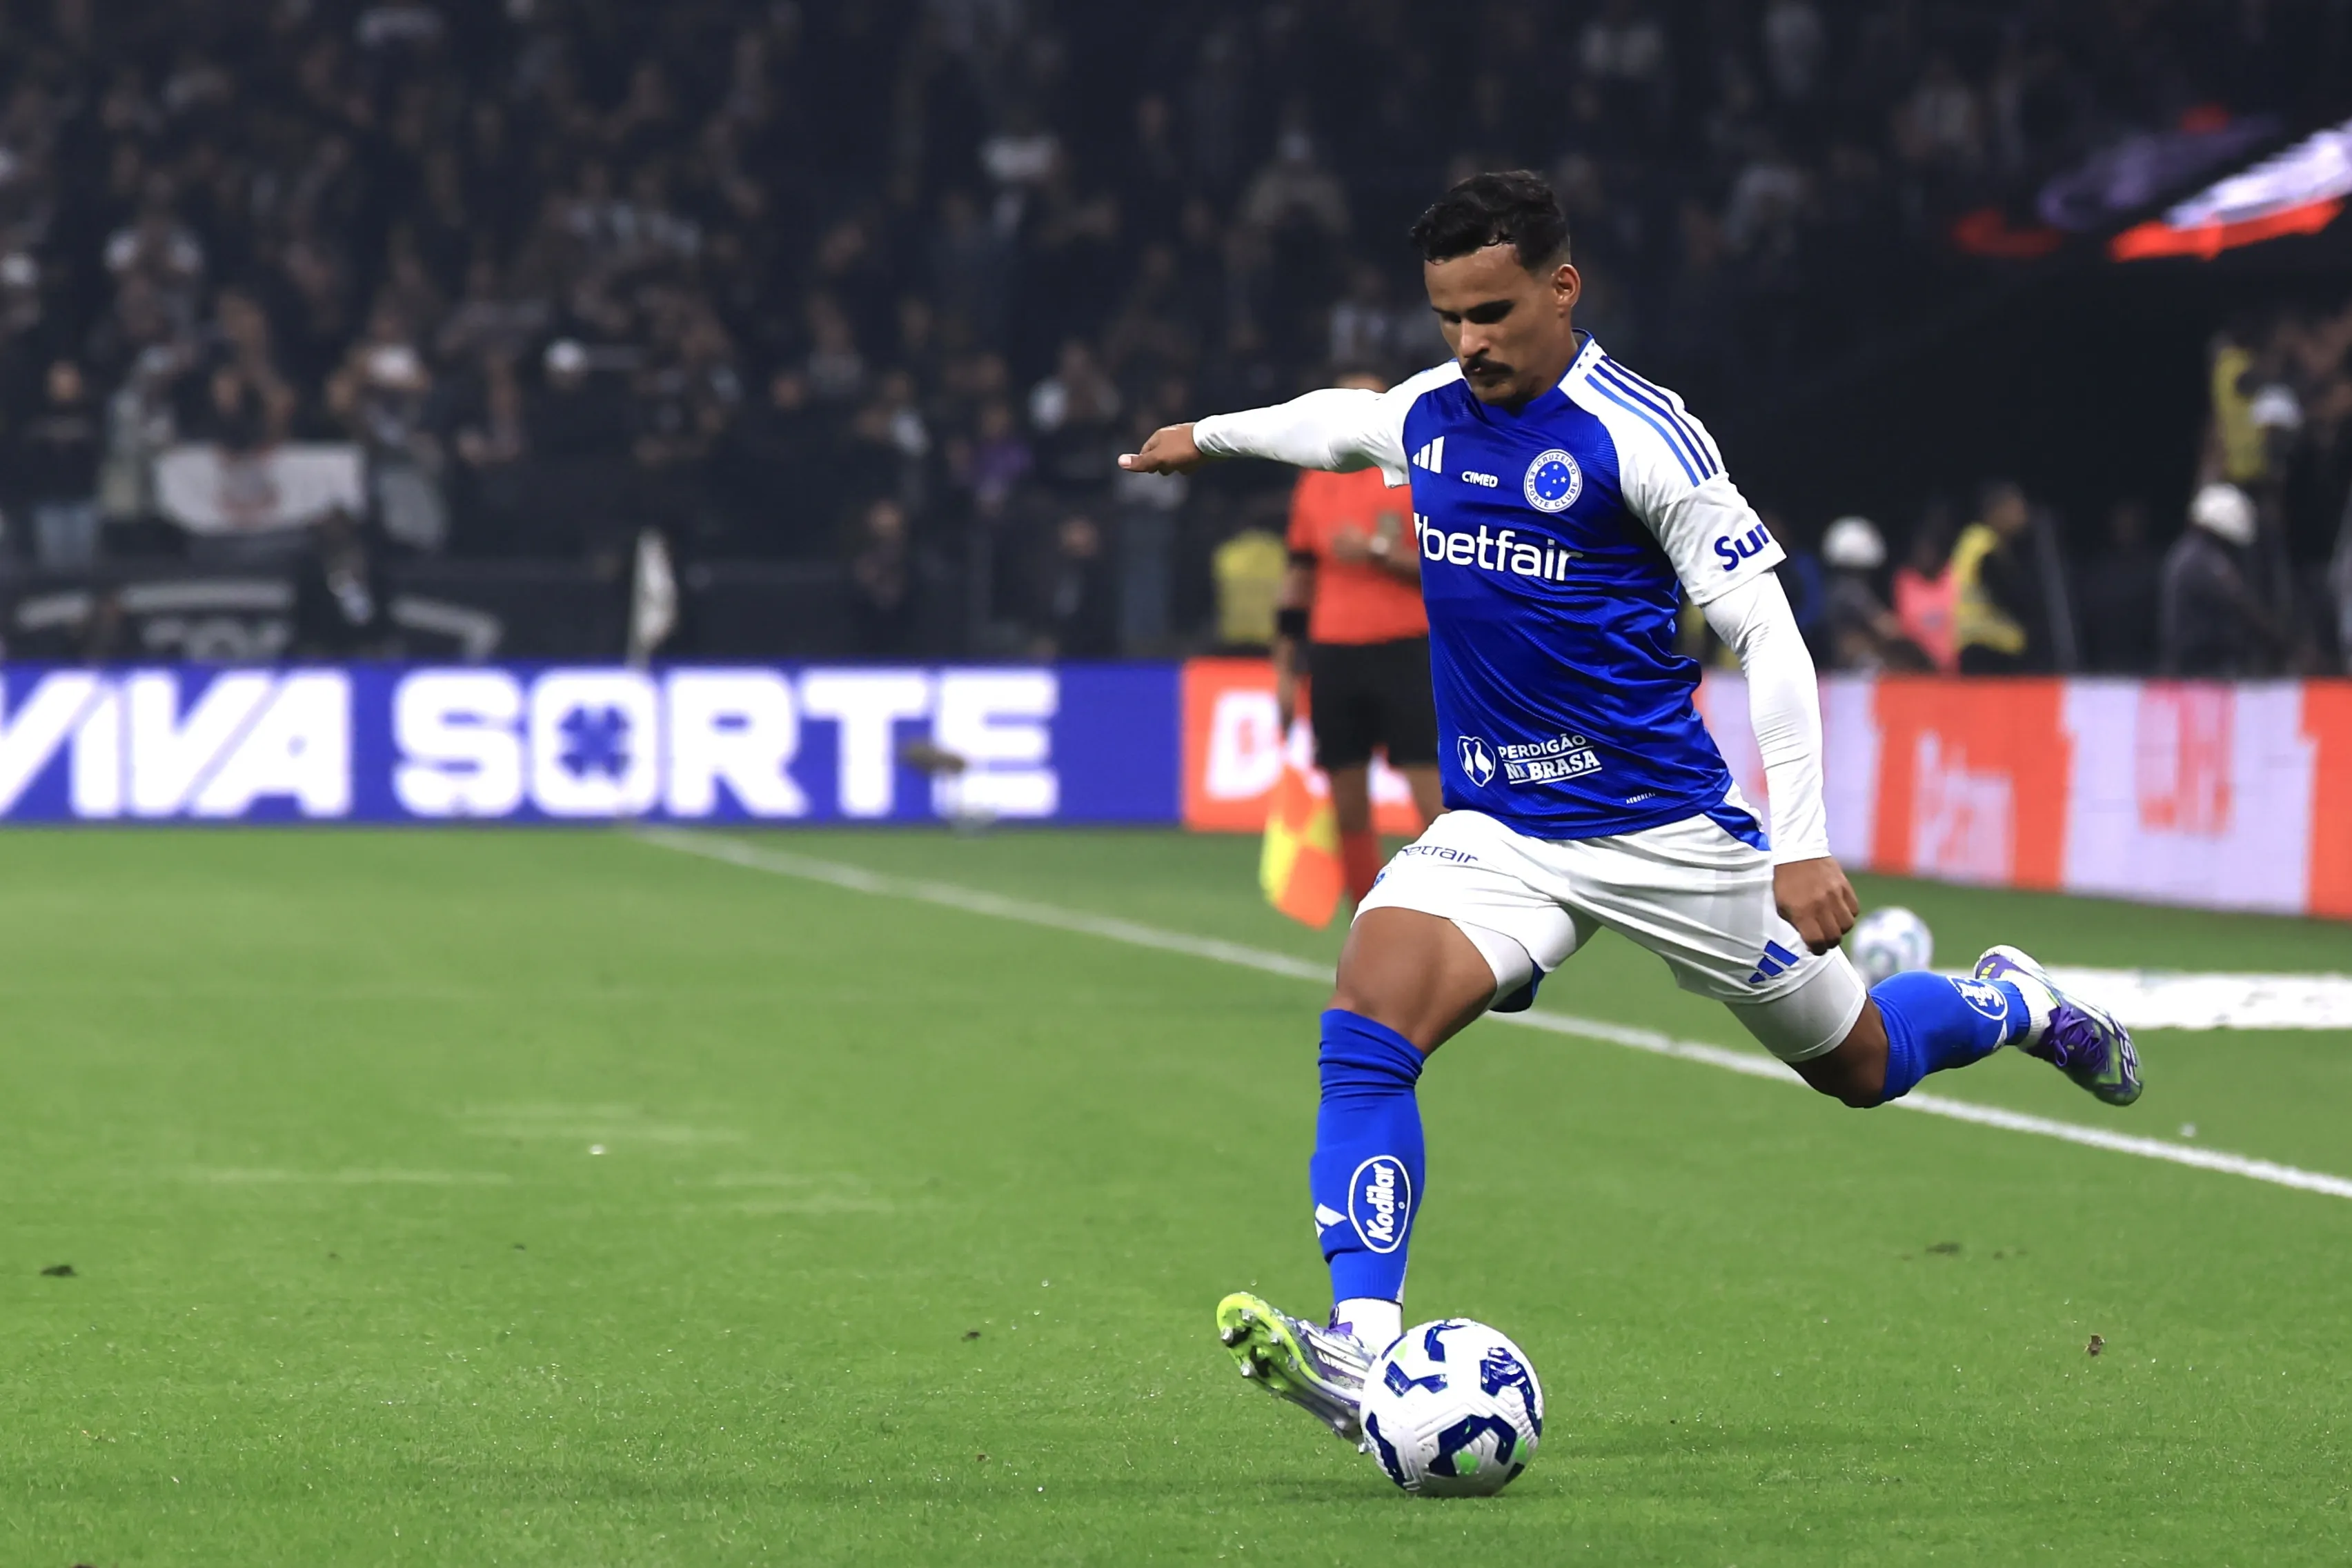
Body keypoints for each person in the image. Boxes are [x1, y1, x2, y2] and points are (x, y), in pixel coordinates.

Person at [1118, 170, 2140, 1445]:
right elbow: (1331, 425)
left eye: (1490, 311)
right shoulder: (1431, 414)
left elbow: (1766, 634)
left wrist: (1801, 838)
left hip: (1661, 831)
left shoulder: (1642, 436)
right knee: (1364, 1025)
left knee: (1859, 1062)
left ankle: (2012, 1001)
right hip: (1496, 829)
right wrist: (1203, 435)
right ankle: (1362, 1347)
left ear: (1561, 288)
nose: (1468, 341)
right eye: (1445, 317)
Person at [1274, 371, 1446, 904]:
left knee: (1431, 801)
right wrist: (1283, 670)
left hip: (1405, 648)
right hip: (1333, 655)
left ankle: (1446, 915)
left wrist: (1376, 550)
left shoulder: (1419, 472)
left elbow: (1451, 564)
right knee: (1348, 806)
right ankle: (1365, 918)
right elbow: (1298, 577)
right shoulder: (1315, 481)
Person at [2160, 483, 2283, 677]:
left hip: (2192, 663)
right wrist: (2280, 640)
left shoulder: (2186, 552)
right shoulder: (2202, 559)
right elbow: (2240, 602)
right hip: (2202, 668)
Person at [1950, 480, 2035, 674]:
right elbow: (2007, 593)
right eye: (2017, 509)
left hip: (1978, 645)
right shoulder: (1984, 547)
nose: (2024, 516)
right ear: (1997, 511)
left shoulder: (1973, 541)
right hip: (1988, 646)